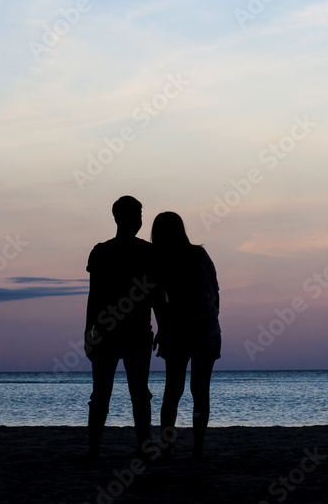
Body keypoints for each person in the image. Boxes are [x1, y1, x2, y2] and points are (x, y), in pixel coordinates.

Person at [84, 196, 155, 463]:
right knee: (101, 393)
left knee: (139, 393)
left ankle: (142, 448)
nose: (138, 220)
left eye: (140, 214)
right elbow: (94, 295)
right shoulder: (101, 252)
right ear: (117, 218)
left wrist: (163, 326)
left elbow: (156, 294)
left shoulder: (149, 252)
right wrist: (88, 330)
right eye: (134, 214)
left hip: (137, 332)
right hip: (108, 332)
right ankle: (94, 450)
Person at [149, 211, 221, 459]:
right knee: (200, 391)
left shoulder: (159, 259)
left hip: (179, 330)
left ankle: (168, 447)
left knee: (174, 390)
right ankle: (198, 448)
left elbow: (157, 299)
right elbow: (215, 290)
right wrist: (212, 317)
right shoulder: (199, 254)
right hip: (204, 330)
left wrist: (162, 328)